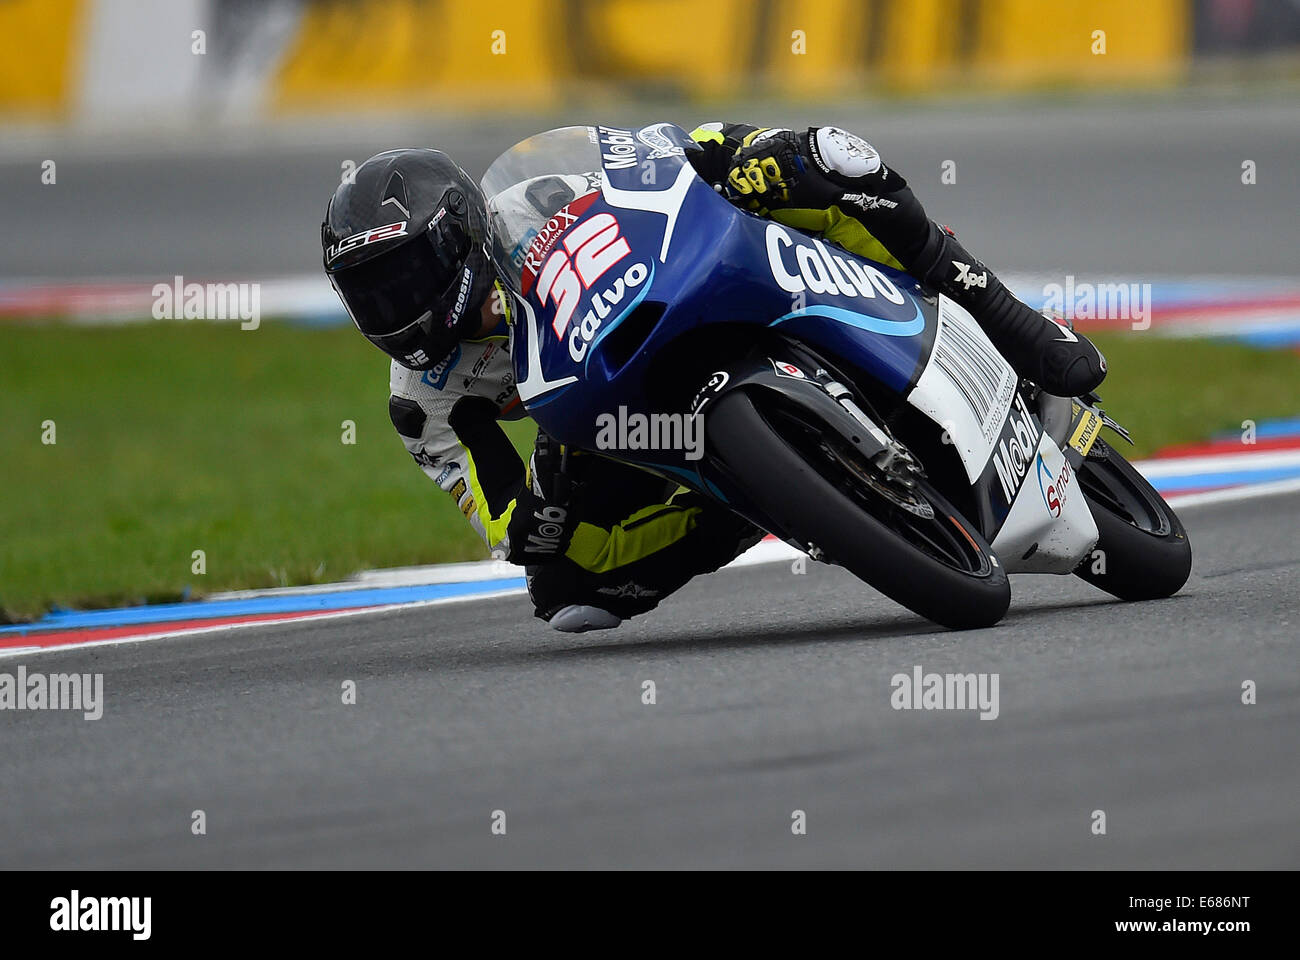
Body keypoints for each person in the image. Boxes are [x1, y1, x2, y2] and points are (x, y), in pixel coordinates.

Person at [320, 123, 1107, 632]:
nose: (397, 309)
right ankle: (750, 499)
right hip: (611, 413)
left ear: (459, 233)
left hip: (682, 284)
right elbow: (509, 522)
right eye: (372, 296)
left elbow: (657, 159)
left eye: (404, 275)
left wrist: (730, 156)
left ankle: (1010, 325)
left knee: (824, 167)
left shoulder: (533, 202)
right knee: (563, 588)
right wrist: (541, 503)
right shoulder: (422, 405)